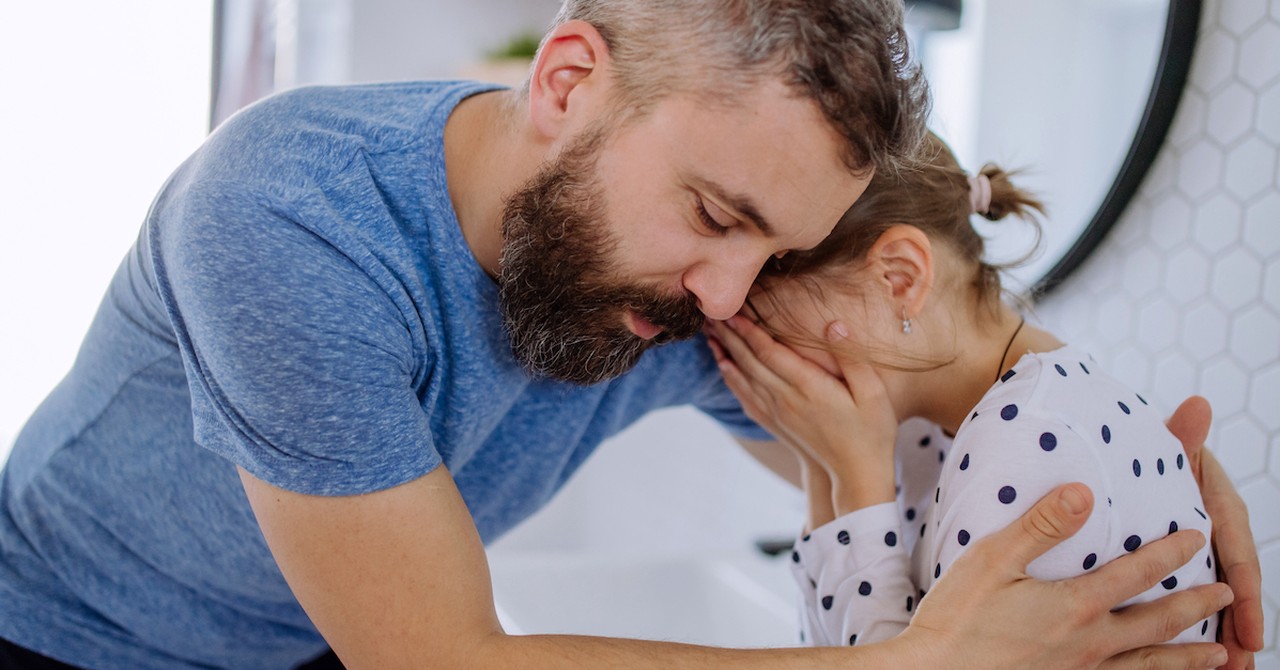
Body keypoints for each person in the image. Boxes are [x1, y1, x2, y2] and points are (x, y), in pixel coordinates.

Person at [0, 1, 1257, 668]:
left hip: (302, 639)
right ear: (565, 82)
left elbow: (945, 407)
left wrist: (1147, 495)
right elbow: (438, 657)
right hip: (66, 634)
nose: (727, 295)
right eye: (713, 214)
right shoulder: (288, 223)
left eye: (772, 253)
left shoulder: (687, 288)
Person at [706, 132, 1263, 668]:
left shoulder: (1028, 442)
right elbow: (834, 654)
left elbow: (904, 664)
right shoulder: (948, 422)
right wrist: (821, 461)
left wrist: (855, 478)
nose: (768, 366)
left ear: (899, 278)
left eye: (766, 331)